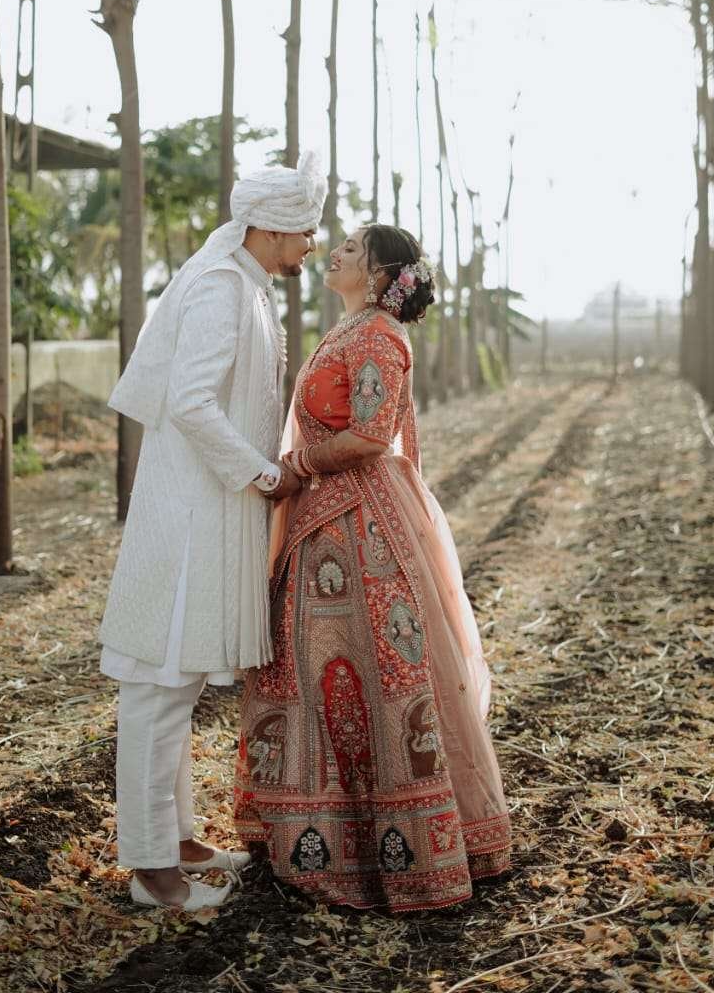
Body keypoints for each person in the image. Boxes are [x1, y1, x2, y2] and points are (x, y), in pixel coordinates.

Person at [234, 224, 512, 912]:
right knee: (313, 665)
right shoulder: (347, 330)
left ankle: (401, 850)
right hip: (324, 518)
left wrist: (296, 466)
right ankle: (323, 835)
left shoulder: (380, 337)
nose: (335, 252)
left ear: (383, 275)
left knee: (376, 671)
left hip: (361, 524)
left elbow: (369, 434)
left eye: (354, 250)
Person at [99, 152, 326, 911]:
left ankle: (178, 841)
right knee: (159, 689)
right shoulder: (221, 288)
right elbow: (191, 403)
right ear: (271, 227)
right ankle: (150, 870)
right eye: (305, 231)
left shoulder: (246, 285)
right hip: (187, 520)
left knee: (179, 681)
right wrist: (264, 474)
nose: (312, 245)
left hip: (208, 512)